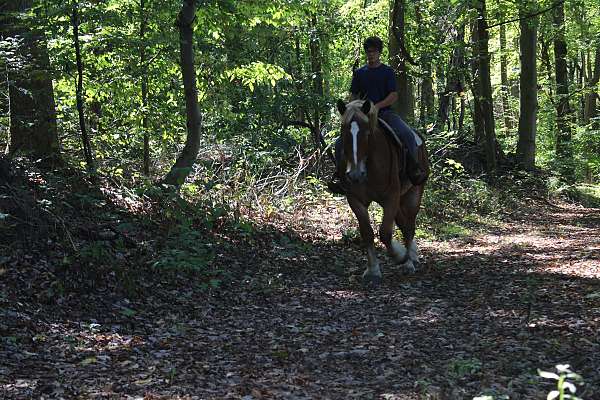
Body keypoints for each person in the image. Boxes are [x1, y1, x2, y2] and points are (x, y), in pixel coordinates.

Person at [328, 36, 427, 194]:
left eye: (374, 51)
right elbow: (354, 95)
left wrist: (377, 106)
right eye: (368, 52)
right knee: (340, 142)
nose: (371, 54)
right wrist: (352, 108)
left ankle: (414, 169)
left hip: (385, 113)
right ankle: (340, 177)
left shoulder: (387, 72)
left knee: (408, 134)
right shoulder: (360, 73)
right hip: (362, 116)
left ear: (379, 52)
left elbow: (393, 95)